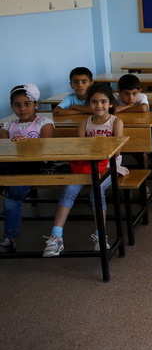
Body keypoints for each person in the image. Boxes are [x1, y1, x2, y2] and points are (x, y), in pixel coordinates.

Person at [42, 83, 129, 257]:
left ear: (110, 104)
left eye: (103, 102)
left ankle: (100, 236)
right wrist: (93, 151)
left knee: (96, 192)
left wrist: (95, 148)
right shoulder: (84, 124)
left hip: (110, 165)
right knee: (69, 190)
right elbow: (82, 149)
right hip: (87, 165)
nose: (99, 106)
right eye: (94, 102)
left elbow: (117, 150)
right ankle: (56, 237)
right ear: (89, 104)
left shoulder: (116, 122)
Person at [0, 84, 54, 253]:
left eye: (27, 104)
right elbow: (3, 148)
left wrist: (27, 145)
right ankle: (9, 237)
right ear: (12, 106)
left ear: (36, 105)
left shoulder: (44, 123)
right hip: (10, 166)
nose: (22, 109)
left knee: (12, 196)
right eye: (17, 105)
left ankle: (9, 237)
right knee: (11, 196)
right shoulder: (7, 126)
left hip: (34, 167)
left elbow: (46, 149)